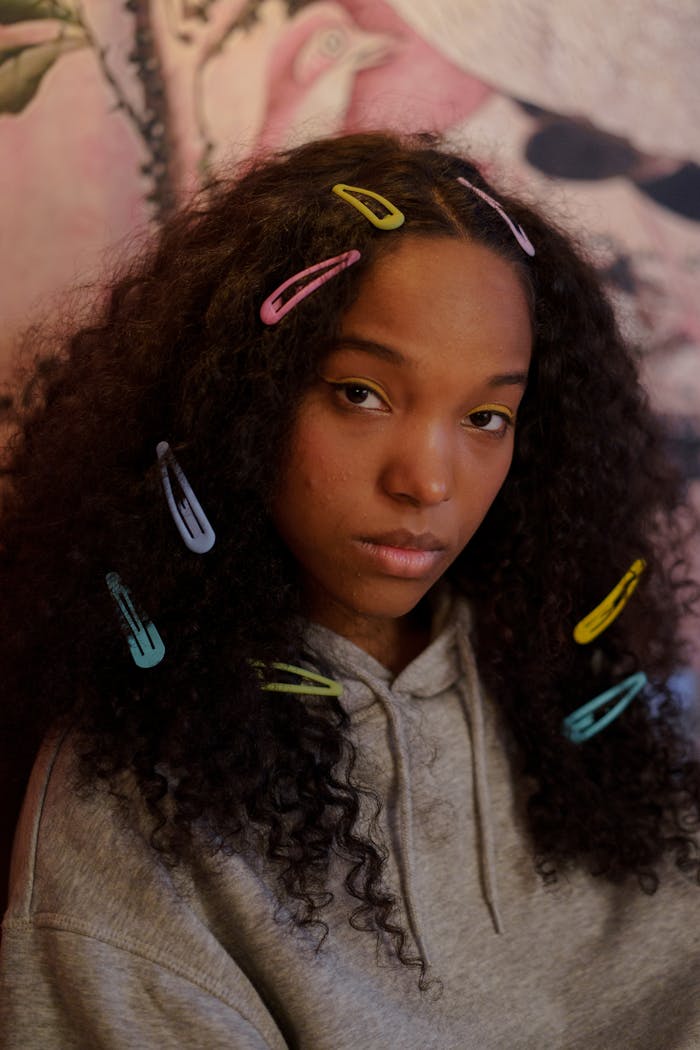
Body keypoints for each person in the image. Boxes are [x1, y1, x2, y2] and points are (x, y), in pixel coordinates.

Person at [0, 131, 699, 1049]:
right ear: (238, 397)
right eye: (361, 394)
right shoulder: (129, 805)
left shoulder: (602, 714)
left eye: (487, 417)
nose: (428, 482)